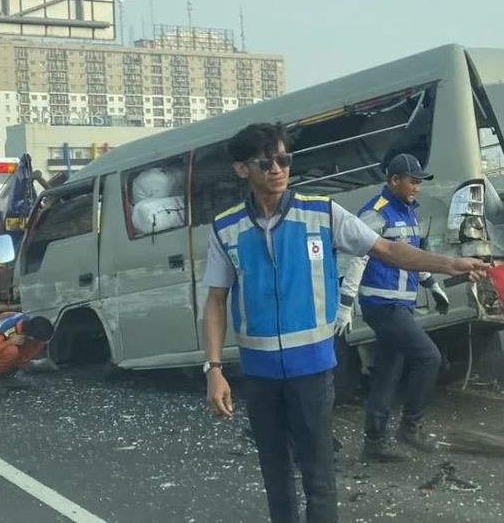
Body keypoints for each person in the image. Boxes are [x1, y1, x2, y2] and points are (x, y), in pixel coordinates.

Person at [201, 123, 487, 523]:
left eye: (284, 160)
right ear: (241, 170)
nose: (277, 170)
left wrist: (449, 264)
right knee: (275, 473)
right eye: (265, 163)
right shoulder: (226, 229)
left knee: (319, 475)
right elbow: (215, 302)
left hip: (313, 370)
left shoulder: (322, 213)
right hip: (260, 374)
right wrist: (214, 369)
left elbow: (387, 249)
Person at [338, 153, 451, 463]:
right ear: (394, 180)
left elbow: (412, 255)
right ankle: (410, 427)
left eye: (419, 182)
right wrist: (346, 304)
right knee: (429, 357)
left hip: (401, 303)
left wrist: (433, 286)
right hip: (382, 304)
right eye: (412, 181)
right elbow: (357, 257)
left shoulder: (408, 213)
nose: (417, 187)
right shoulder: (376, 213)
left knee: (388, 372)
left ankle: (374, 442)